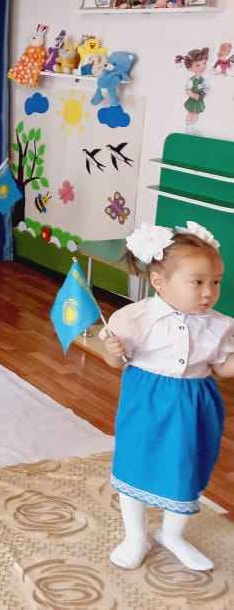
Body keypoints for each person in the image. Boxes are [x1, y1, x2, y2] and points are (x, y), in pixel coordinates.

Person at [101, 221, 230, 572]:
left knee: (187, 466)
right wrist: (113, 352)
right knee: (135, 462)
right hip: (147, 402)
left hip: (195, 404)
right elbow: (115, 362)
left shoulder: (219, 324)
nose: (209, 292)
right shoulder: (135, 318)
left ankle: (172, 534)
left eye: (216, 282)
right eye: (197, 282)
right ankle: (135, 536)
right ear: (159, 282)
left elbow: (222, 368)